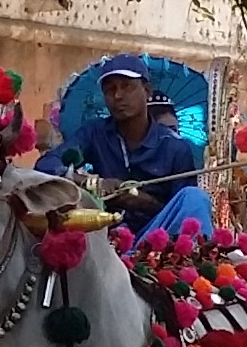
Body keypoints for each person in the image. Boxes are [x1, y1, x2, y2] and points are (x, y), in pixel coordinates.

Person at [43, 56, 213, 243]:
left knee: (195, 198)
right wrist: (91, 183)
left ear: (147, 91)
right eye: (110, 89)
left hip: (156, 238)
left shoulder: (174, 147)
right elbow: (46, 165)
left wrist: (146, 203)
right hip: (104, 236)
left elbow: (182, 211)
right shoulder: (94, 132)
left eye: (127, 86)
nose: (118, 96)